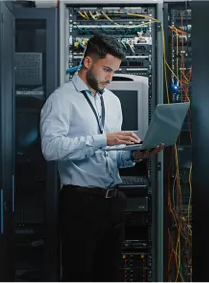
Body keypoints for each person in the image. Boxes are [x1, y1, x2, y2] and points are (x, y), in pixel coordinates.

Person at [40, 34, 163, 282]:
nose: (110, 77)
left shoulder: (112, 101)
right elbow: (50, 148)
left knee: (110, 276)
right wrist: (104, 139)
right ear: (87, 62)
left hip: (112, 202)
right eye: (106, 69)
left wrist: (136, 155)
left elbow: (111, 156)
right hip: (80, 203)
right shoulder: (61, 99)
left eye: (114, 71)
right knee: (80, 275)